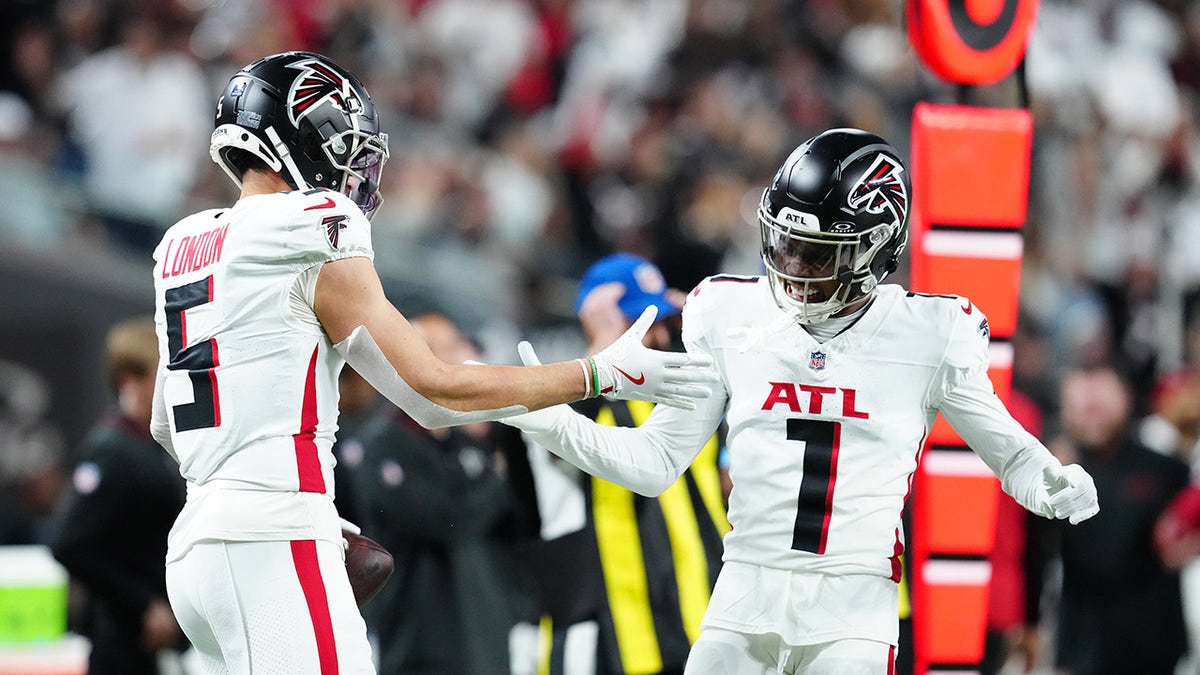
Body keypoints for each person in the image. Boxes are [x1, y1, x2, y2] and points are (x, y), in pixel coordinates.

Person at [150, 51, 718, 674]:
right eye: (341, 140)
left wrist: (249, 487)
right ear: (297, 136)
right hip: (269, 538)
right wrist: (600, 372)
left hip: (196, 548)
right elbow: (436, 392)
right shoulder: (310, 223)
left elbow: (165, 425)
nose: (351, 162)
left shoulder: (184, 241)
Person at [502, 128, 1101, 674]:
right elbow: (654, 463)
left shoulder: (930, 334)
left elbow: (1010, 456)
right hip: (744, 591)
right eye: (785, 244)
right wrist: (551, 420)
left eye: (817, 254)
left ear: (876, 249)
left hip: (853, 606)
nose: (793, 268)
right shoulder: (730, 313)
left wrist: (1050, 480)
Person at [517, 253, 730, 675]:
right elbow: (550, 439)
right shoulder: (569, 401)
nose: (653, 338)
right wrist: (603, 346)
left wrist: (706, 322)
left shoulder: (689, 391)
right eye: (639, 325)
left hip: (703, 618)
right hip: (611, 636)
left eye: (659, 322)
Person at [352, 310, 524, 674]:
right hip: (420, 643)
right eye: (452, 346)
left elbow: (515, 518)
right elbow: (445, 523)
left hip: (487, 637)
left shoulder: (464, 440)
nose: (465, 355)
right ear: (417, 359)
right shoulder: (382, 445)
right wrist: (491, 478)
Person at [50, 317, 187, 675]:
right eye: (161, 376)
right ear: (129, 381)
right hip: (123, 639)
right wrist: (143, 604)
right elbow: (71, 543)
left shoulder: (151, 446)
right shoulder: (111, 453)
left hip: (155, 638)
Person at [1048, 363, 1189, 675]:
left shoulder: (1166, 470)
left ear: (1125, 399)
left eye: (1099, 404)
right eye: (1081, 406)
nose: (1090, 412)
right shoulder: (1049, 473)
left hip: (1153, 640)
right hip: (1081, 641)